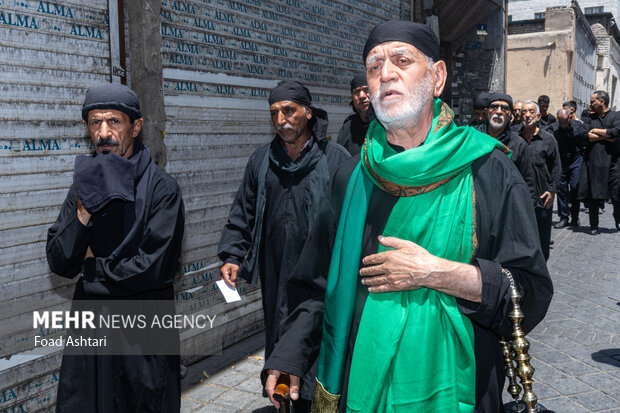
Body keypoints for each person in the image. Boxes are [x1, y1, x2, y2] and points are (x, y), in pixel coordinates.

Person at [263, 21, 553, 413]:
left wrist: (437, 273)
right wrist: (290, 354)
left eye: (402, 60)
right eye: (374, 66)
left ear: (437, 77)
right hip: (360, 387)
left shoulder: (487, 170)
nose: (386, 74)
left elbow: (531, 293)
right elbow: (316, 285)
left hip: (459, 389)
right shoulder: (352, 176)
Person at [46, 84, 185, 412]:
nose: (104, 133)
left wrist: (93, 268)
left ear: (135, 127)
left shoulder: (162, 189)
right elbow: (60, 259)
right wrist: (82, 214)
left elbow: (155, 267)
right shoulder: (84, 184)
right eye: (95, 123)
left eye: (114, 122)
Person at [217, 80, 350, 411]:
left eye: (288, 111)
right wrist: (233, 253)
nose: (281, 120)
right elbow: (243, 211)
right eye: (274, 113)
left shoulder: (335, 160)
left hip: (321, 272)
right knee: (280, 334)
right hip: (276, 270)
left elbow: (352, 219)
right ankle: (284, 399)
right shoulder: (262, 160)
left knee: (321, 340)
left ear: (307, 111)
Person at [519, 100, 561, 259]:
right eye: (524, 112)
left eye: (531, 112)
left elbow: (556, 167)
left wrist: (552, 191)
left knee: (542, 238)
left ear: (538, 116)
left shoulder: (548, 139)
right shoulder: (514, 137)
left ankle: (541, 270)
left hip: (541, 197)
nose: (527, 115)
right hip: (519, 197)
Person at [475, 93, 534, 201]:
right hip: (476, 203)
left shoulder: (519, 145)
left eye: (504, 108)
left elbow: (528, 183)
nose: (498, 111)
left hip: (505, 203)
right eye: (494, 107)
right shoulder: (473, 138)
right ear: (486, 112)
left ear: (510, 115)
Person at [578, 91, 620, 234]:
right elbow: (584, 135)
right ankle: (593, 225)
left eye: (592, 101)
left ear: (602, 101)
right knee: (593, 195)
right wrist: (606, 135)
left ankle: (618, 216)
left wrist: (595, 130)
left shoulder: (616, 116)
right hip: (594, 162)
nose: (590, 104)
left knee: (616, 194)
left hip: (613, 162)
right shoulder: (589, 118)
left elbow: (615, 133)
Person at [549, 109, 588, 228]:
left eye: (565, 122)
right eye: (560, 122)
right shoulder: (553, 128)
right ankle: (564, 217)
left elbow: (585, 139)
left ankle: (575, 217)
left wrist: (582, 155)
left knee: (575, 187)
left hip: (576, 160)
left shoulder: (578, 126)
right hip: (561, 160)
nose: (563, 125)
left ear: (570, 118)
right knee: (561, 190)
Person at [337, 73, 371, 156]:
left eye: (366, 90)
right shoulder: (348, 128)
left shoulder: (388, 125)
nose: (361, 96)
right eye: (357, 92)